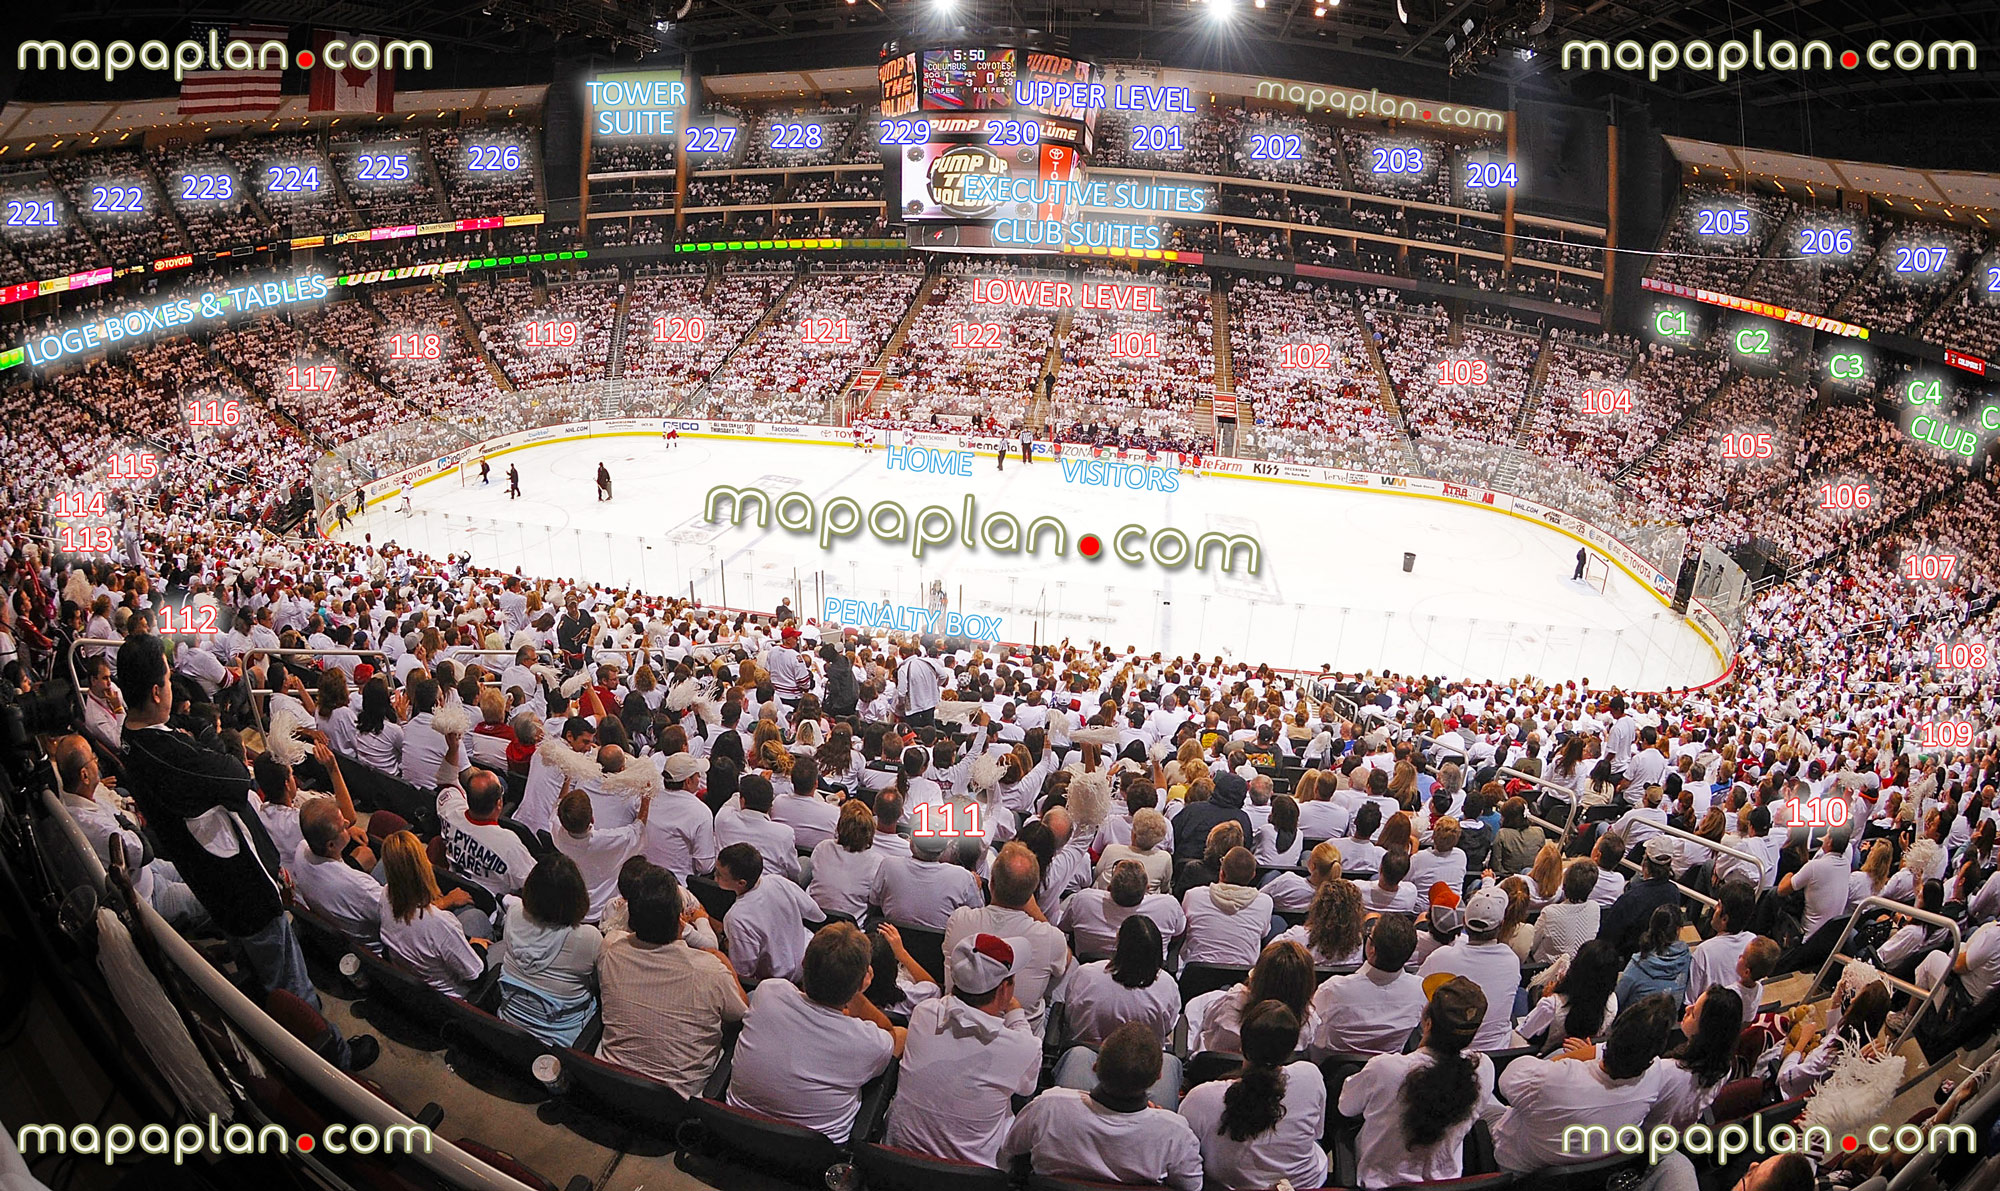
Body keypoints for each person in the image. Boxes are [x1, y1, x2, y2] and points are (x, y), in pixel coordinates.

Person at [114, 635, 379, 1071]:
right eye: (167, 679)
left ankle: (275, 1034)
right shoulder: (165, 752)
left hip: (216, 885)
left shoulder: (134, 741)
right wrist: (210, 748)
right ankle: (332, 1060)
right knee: (292, 983)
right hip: (243, 890)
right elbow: (238, 778)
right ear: (158, 691)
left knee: (260, 972)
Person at [726, 922, 904, 1145]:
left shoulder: (769, 992)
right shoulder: (869, 1041)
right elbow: (890, 1032)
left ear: (803, 963)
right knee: (900, 1034)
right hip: (812, 1153)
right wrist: (856, 991)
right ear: (862, 984)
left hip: (737, 1130)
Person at [882, 933, 1042, 1168]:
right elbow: (1027, 1087)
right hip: (971, 1176)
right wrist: (1015, 1014)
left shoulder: (924, 1014)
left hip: (895, 1163)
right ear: (1004, 990)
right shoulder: (1022, 1046)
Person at [596, 863, 747, 1095]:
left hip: (612, 1083)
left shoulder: (610, 947)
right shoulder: (710, 970)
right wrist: (723, 961)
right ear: (679, 921)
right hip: (680, 1100)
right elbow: (741, 1014)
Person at [1000, 1021, 1204, 1191]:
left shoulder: (1048, 1106)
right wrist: (1162, 1122)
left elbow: (1011, 1149)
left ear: (1095, 1067)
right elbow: (1191, 1186)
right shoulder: (1176, 1132)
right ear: (1159, 1077)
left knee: (1077, 1053)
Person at [1339, 976, 1500, 1189]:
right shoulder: (1484, 1068)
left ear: (1428, 1022)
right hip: (1444, 1183)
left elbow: (1346, 1108)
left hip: (1379, 1184)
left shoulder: (1386, 1068)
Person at [1490, 995, 1678, 1171]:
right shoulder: (1656, 1073)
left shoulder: (1555, 1078)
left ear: (1614, 1033)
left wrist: (1561, 1060)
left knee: (1483, 1080)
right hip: (1582, 1175)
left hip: (1516, 1168)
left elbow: (1505, 1080)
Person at [1180, 1000, 1329, 1191]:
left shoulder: (1199, 1098)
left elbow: (1185, 1156)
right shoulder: (1311, 1076)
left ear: (1242, 1044)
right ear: (1291, 1050)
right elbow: (1317, 1132)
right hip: (1302, 1185)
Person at [944, 842, 1072, 1030]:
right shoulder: (1052, 938)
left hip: (956, 1024)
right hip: (1019, 1033)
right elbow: (1066, 959)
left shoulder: (959, 919)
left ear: (992, 883)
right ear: (1032, 891)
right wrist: (1036, 911)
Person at [493, 854, 603, 1046]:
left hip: (510, 1022)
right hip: (563, 1043)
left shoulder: (514, 912)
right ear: (577, 897)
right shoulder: (588, 938)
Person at [378, 830, 488, 998]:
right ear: (423, 865)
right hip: (453, 997)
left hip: (417, 974)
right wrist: (479, 946)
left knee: (470, 918)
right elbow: (476, 977)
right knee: (478, 919)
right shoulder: (440, 923)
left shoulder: (385, 895)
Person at [1417, 885, 1521, 1051]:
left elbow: (1416, 997)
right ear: (1501, 925)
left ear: (1464, 920)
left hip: (1446, 1050)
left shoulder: (1441, 956)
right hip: (1495, 1052)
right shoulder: (1512, 961)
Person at [1310, 911, 1426, 1057]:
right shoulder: (1420, 991)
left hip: (1331, 1073)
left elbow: (1311, 1034)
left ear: (1372, 949)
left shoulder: (1333, 989)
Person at [1061, 915, 1181, 1054]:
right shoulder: (1167, 984)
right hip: (1145, 1065)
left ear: (1119, 941)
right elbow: (1168, 1028)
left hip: (1087, 1055)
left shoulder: (1085, 974)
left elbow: (1069, 1015)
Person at [716, 842, 825, 983]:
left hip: (778, 980)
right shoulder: (778, 881)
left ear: (741, 883)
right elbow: (816, 914)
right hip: (806, 959)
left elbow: (743, 971)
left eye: (720, 875)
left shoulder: (736, 917)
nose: (715, 876)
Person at [1197, 940, 1317, 1056]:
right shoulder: (1310, 1021)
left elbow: (1208, 1021)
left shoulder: (1233, 1000)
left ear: (1258, 978)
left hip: (1216, 1072)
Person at [1646, 986, 1743, 1128]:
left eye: (1693, 1013)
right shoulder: (1724, 1066)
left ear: (1704, 1031)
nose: (1686, 1009)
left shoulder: (1664, 1070)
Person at [552, 787, 652, 923]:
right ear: (593, 819)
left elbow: (556, 809)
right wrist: (646, 799)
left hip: (571, 908)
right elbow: (638, 829)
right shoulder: (609, 840)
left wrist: (567, 780)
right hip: (604, 912)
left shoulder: (557, 833)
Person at [439, 769, 536, 899]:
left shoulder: (449, 809)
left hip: (454, 886)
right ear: (499, 803)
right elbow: (534, 882)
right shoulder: (509, 844)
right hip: (490, 909)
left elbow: (446, 782)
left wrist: (454, 749)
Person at [1518, 938, 1620, 1049]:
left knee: (1520, 993)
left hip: (1544, 1058)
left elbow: (1524, 1033)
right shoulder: (1613, 1003)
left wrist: (1543, 1000)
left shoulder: (1551, 1005)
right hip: (1577, 1058)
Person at [1181, 846, 1273, 966]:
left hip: (1196, 977)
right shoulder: (1265, 903)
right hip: (1242, 976)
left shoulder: (1193, 896)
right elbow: (1264, 935)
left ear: (1221, 873)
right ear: (1253, 876)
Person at [1602, 836, 1684, 952]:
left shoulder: (1631, 898)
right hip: (1657, 950)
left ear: (1645, 863)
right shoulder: (1674, 891)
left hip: (1630, 955)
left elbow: (1608, 937)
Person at [808, 799, 886, 920]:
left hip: (815, 921)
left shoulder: (822, 847)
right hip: (851, 927)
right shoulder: (877, 862)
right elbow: (875, 901)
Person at [1618, 904, 1692, 1005]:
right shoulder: (1686, 957)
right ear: (1678, 930)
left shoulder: (1637, 965)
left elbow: (1617, 1001)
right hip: (1668, 1017)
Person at [1530, 859, 1601, 963]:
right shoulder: (1595, 908)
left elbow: (1532, 945)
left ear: (1563, 886)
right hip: (1577, 966)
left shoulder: (1550, 912)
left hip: (1545, 969)